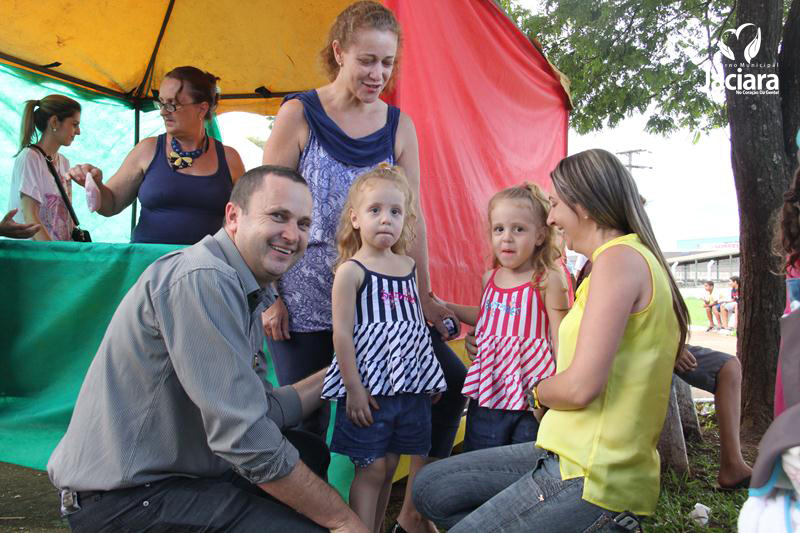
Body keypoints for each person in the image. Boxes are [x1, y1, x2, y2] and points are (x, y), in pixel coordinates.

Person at [47, 166, 368, 532]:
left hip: (169, 478)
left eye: (303, 224)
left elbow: (259, 409)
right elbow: (246, 438)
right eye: (278, 216)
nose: (292, 235)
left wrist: (345, 370)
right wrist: (343, 520)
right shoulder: (204, 279)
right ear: (233, 216)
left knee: (308, 453)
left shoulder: (242, 284)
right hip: (124, 501)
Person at [261, 3, 466, 531]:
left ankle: (414, 512)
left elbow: (413, 219)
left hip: (383, 311)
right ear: (339, 52)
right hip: (303, 302)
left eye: (387, 63)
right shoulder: (299, 114)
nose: (378, 74)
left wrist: (424, 295)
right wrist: (270, 295)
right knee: (306, 427)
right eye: (367, 60)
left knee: (448, 382)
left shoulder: (399, 126)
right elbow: (266, 207)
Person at [412, 149, 688, 532]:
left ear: (584, 206)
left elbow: (579, 388)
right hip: (565, 451)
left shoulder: (618, 261)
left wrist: (535, 394)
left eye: (555, 204)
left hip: (594, 475)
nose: (552, 218)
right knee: (430, 487)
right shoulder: (618, 260)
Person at [320, 165, 446, 532]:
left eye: (395, 211)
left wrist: (427, 377)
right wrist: (354, 389)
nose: (386, 219)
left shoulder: (409, 267)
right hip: (370, 390)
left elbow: (414, 329)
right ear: (355, 218)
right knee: (372, 466)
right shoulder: (351, 271)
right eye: (375, 210)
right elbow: (342, 336)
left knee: (390, 464)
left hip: (407, 389)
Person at [436, 184, 568, 451]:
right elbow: (488, 316)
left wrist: (557, 392)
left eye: (518, 229)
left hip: (530, 397)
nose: (507, 238)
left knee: (523, 460)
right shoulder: (490, 278)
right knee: (479, 457)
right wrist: (445, 305)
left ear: (540, 236)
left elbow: (562, 339)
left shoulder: (548, 279)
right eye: (499, 229)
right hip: (490, 391)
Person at [68, 66, 245, 245]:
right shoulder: (147, 150)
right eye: (161, 103)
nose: (163, 111)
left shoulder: (230, 159)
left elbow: (245, 220)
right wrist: (96, 184)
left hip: (207, 262)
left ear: (202, 108)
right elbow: (111, 204)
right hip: (148, 261)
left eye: (172, 104)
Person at [674, 345, 752, 489]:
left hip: (668, 344)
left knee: (729, 367)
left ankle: (733, 465)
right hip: (643, 345)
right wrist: (667, 345)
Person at [8, 94, 82, 241]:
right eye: (74, 124)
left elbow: (66, 217)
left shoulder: (64, 162)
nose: (78, 131)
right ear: (54, 122)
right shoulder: (30, 157)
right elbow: (30, 216)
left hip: (57, 250)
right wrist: (53, 252)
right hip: (36, 253)